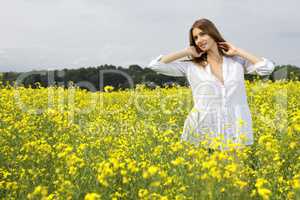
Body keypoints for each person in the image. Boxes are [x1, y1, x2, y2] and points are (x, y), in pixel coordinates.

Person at [146, 18, 275, 151]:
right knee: (205, 170)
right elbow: (155, 65)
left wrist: (237, 51)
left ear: (212, 33)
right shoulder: (191, 66)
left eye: (202, 34)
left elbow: (267, 68)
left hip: (236, 127)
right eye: (195, 38)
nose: (199, 40)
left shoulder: (237, 62)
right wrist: (187, 51)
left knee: (237, 171)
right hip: (203, 129)